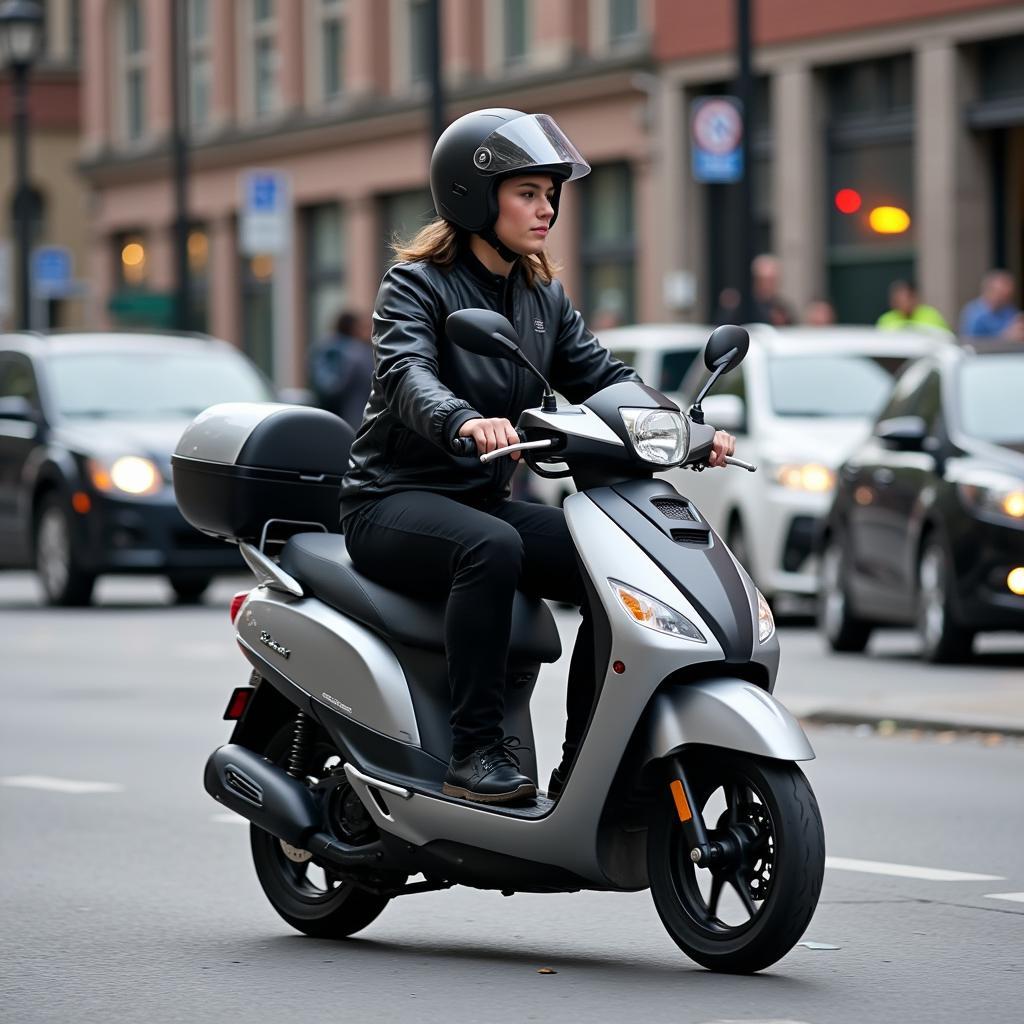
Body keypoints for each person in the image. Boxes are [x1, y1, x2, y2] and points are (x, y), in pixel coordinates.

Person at [338, 108, 735, 805]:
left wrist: (684, 433)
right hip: (391, 501)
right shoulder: (416, 286)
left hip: (481, 501)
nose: (546, 207)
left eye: (551, 193)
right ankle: (475, 751)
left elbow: (604, 376)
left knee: (612, 564)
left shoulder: (540, 294)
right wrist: (463, 420)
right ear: (474, 195)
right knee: (490, 548)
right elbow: (405, 375)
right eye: (528, 192)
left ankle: (589, 763)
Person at [307, 310, 374, 428]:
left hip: (334, 418)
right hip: (350, 418)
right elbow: (332, 387)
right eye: (362, 327)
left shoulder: (326, 346)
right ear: (353, 328)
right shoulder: (355, 352)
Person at [959, 269, 1022, 339]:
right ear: (989, 291)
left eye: (1008, 296)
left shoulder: (1008, 310)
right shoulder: (974, 313)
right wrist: (1005, 336)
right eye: (1001, 295)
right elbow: (971, 342)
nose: (1005, 300)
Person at [876, 280, 949, 331]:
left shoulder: (931, 315)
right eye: (897, 300)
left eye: (904, 299)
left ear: (914, 298)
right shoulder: (886, 319)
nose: (900, 303)